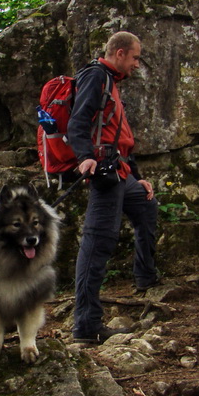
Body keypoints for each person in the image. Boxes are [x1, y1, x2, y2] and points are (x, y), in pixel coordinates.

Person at [68, 32, 159, 343]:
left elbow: (119, 135)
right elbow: (78, 121)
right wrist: (84, 158)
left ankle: (146, 279)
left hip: (121, 170)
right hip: (104, 171)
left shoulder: (111, 81)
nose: (136, 64)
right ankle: (86, 326)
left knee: (146, 204)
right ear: (120, 53)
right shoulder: (96, 76)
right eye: (134, 57)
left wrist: (137, 175)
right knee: (97, 243)